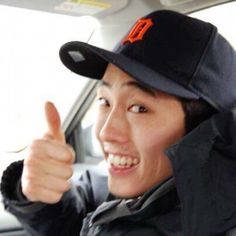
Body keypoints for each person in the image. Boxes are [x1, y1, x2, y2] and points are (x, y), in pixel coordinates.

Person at [1, 9, 236, 236]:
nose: (104, 132)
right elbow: (78, 222)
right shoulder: (131, 188)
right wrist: (38, 194)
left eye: (138, 108)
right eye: (104, 101)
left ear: (205, 131)